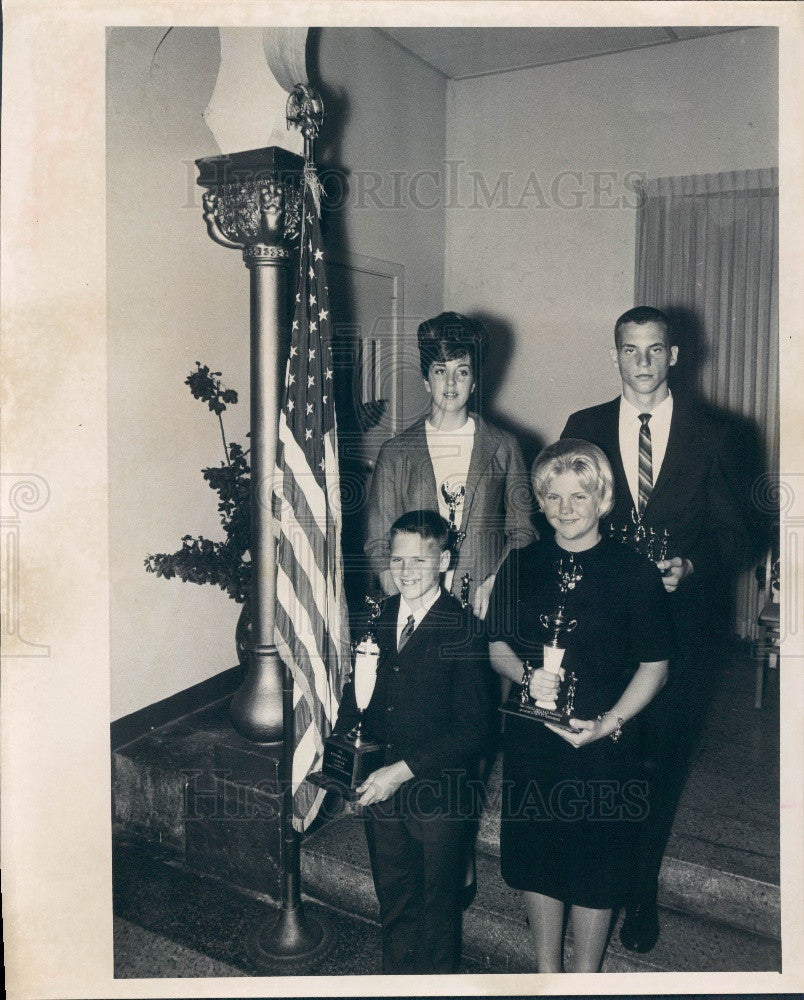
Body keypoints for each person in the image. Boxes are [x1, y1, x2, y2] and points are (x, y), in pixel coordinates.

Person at [561, 306, 750, 953]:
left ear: (674, 356)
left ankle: (638, 892)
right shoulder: (582, 428)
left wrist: (690, 565)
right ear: (614, 355)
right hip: (604, 634)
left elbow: (739, 533)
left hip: (685, 634)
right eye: (630, 350)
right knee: (605, 759)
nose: (641, 362)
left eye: (654, 350)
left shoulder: (717, 434)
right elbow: (563, 522)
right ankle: (594, 881)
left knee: (659, 768)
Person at [487, 440, 672, 973]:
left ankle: (586, 979)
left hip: (603, 741)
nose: (566, 509)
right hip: (533, 739)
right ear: (539, 502)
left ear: (603, 499)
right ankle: (547, 972)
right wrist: (525, 673)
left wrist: (609, 724)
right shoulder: (520, 563)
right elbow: (495, 644)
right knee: (537, 855)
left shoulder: (634, 573)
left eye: (579, 495)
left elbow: (655, 666)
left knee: (598, 863)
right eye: (553, 496)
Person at [332, 509, 491, 974]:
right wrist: (345, 758)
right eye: (397, 560)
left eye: (418, 561)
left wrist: (399, 773)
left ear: (444, 561)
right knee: (395, 899)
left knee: (438, 907)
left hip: (438, 794)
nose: (405, 572)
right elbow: (354, 695)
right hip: (380, 792)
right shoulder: (377, 617)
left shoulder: (462, 629)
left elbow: (475, 731)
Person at [365, 311, 535, 621]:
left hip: (481, 609)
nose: (451, 382)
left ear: (474, 381)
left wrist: (495, 584)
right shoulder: (395, 453)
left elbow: (522, 532)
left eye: (462, 371)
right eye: (440, 370)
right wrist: (404, 603)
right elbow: (378, 543)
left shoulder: (504, 446)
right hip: (413, 608)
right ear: (426, 380)